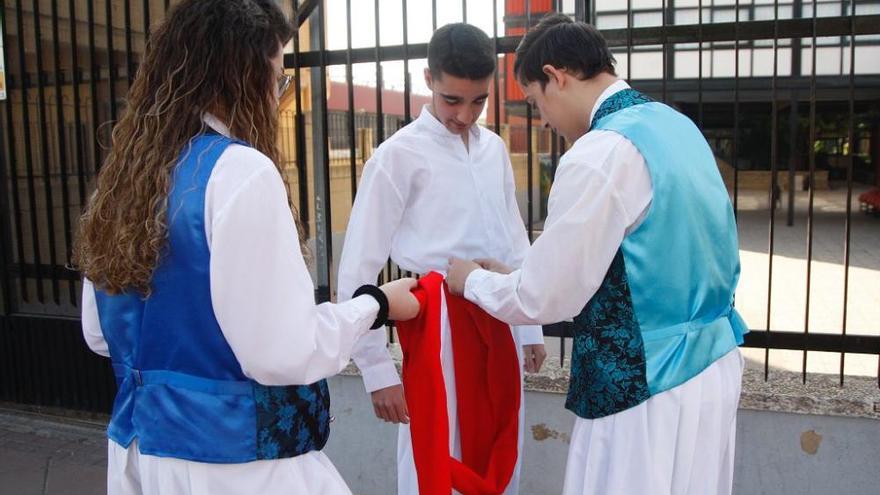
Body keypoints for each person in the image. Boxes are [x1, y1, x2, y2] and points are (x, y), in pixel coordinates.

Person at [74, 1, 418, 493]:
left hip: (138, 451)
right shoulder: (239, 172)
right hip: (235, 461)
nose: (277, 95)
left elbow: (100, 333)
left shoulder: (127, 176)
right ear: (241, 77)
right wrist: (377, 304)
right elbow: (282, 351)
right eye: (277, 78)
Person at [448, 14, 747, 495]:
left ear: (556, 76)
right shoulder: (676, 125)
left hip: (645, 384)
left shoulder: (599, 151)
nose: (543, 120)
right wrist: (521, 271)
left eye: (535, 101)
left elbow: (546, 298)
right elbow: (641, 250)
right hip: (712, 366)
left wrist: (472, 281)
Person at [337, 23, 546, 495]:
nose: (465, 115)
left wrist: (529, 325)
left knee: (499, 439)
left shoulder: (493, 149)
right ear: (428, 78)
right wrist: (375, 370)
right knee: (435, 447)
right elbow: (358, 268)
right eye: (453, 100)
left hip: (497, 311)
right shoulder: (397, 156)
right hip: (436, 322)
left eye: (478, 101)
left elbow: (513, 238)